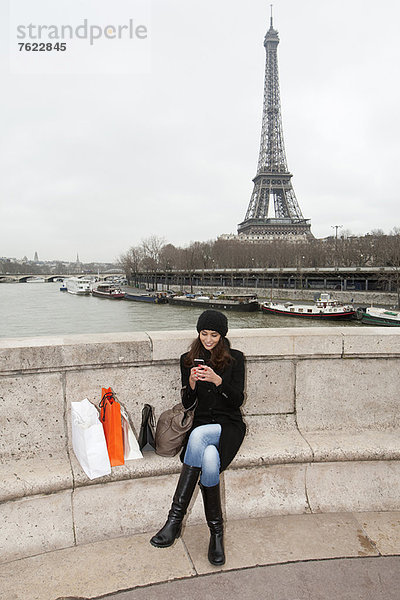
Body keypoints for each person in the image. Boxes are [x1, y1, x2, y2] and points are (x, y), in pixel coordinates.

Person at [150, 309, 246, 566]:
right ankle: (216, 534)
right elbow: (187, 403)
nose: (208, 339)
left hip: (228, 426)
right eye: (204, 333)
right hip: (201, 423)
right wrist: (192, 384)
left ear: (222, 335)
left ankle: (174, 521)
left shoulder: (236, 359)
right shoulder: (187, 359)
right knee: (210, 459)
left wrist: (217, 382)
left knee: (201, 437)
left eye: (214, 334)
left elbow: (237, 400)